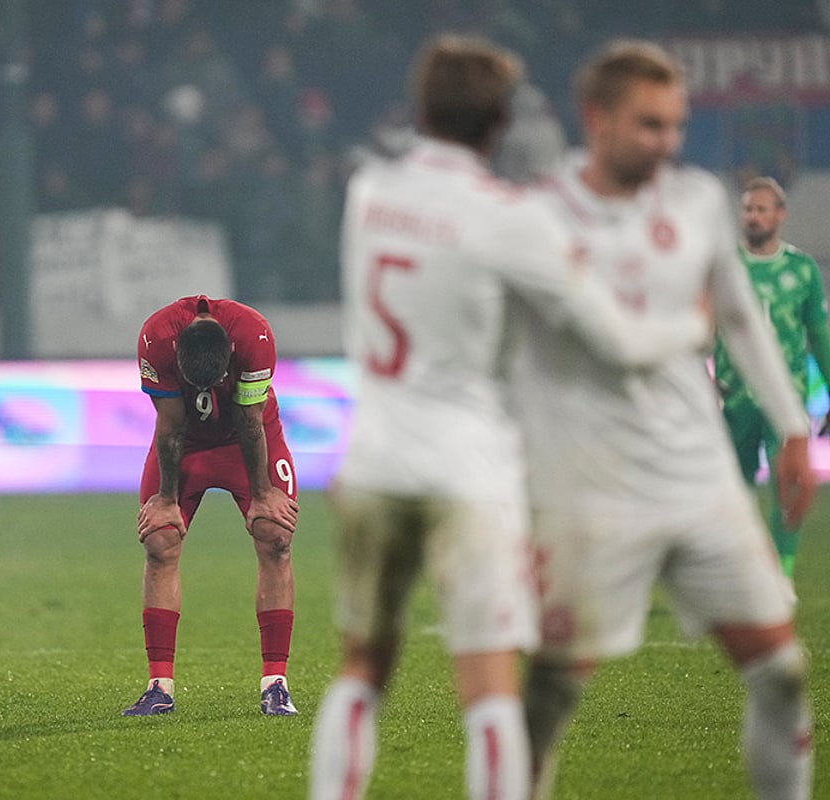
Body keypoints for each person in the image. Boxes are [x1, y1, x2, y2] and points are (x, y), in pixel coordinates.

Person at [308, 34, 713, 800]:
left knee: (361, 669)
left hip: (374, 459)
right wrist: (691, 324)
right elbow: (616, 341)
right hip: (468, 470)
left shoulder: (369, 193)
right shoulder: (510, 218)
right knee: (491, 691)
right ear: (500, 123)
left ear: (421, 109)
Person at [511, 41, 815, 800]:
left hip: (698, 478)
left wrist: (792, 428)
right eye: (650, 125)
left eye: (676, 126)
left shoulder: (695, 202)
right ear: (598, 119)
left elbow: (740, 319)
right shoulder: (543, 216)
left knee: (780, 674)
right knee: (554, 688)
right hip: (592, 487)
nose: (668, 143)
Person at [125, 294, 301, 716]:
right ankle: (159, 687)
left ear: (230, 357)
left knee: (275, 536)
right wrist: (166, 500)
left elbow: (250, 418)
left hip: (249, 438)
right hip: (186, 444)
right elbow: (169, 427)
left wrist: (262, 494)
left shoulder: (254, 335)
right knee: (160, 540)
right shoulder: (155, 337)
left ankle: (275, 684)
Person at [714, 176, 830, 580]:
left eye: (762, 209)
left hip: (788, 399)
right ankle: (741, 572)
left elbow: (818, 334)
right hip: (734, 396)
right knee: (733, 490)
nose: (753, 216)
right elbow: (696, 327)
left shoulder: (801, 269)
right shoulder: (724, 268)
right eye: (748, 208)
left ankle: (781, 574)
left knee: (788, 483)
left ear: (780, 215)